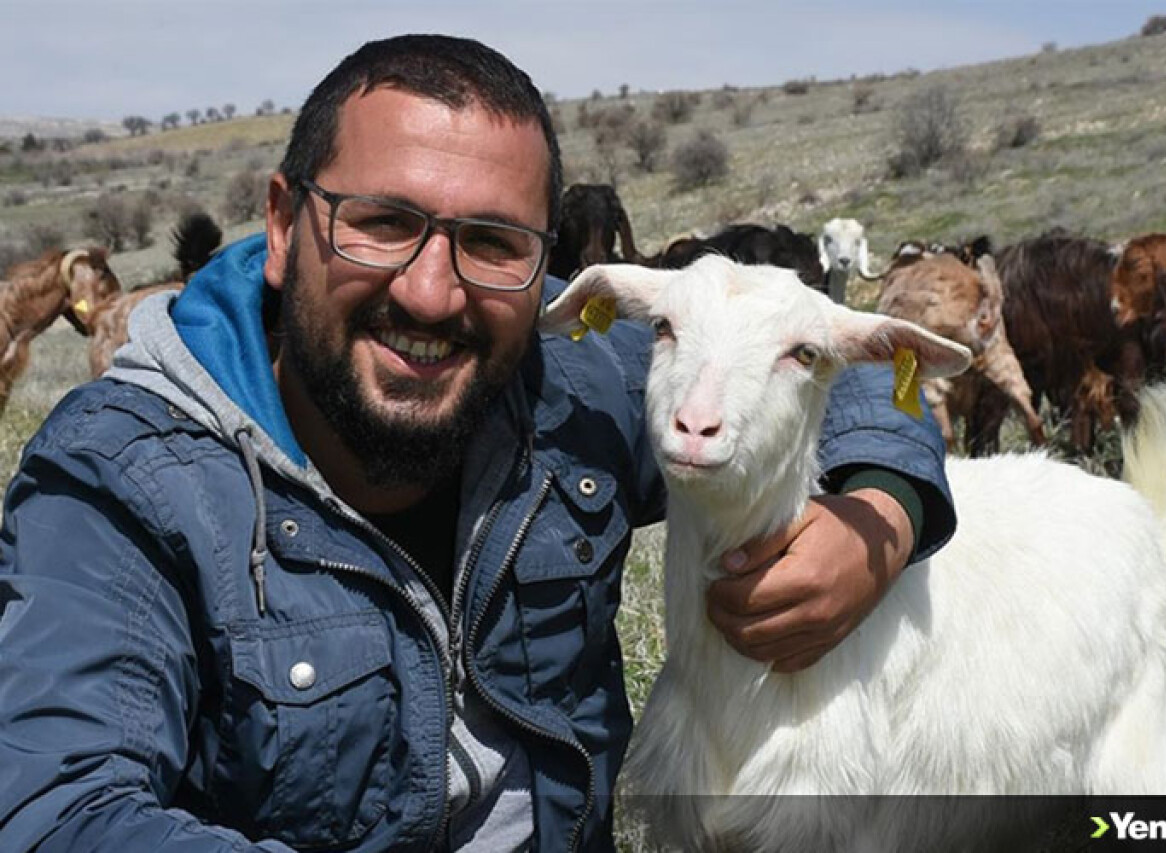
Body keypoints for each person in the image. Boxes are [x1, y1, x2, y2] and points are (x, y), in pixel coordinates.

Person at [0, 35, 955, 852]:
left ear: (546, 265)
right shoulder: (123, 476)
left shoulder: (570, 374)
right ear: (286, 226)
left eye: (493, 243)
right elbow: (54, 811)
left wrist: (876, 513)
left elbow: (846, 366)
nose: (431, 291)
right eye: (382, 224)